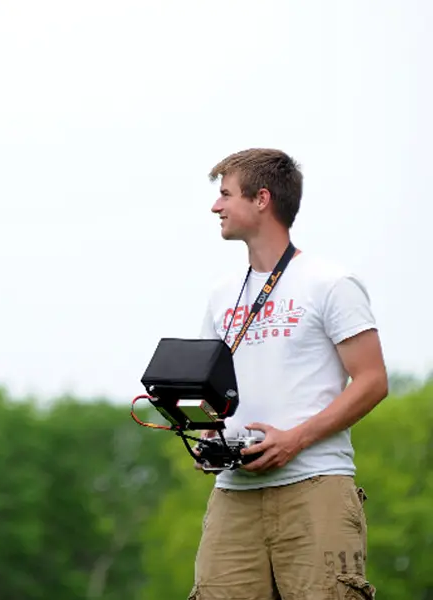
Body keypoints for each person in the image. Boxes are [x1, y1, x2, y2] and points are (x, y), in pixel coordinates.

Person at [189, 148, 388, 600]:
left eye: (225, 195)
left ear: (261, 199)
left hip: (315, 485)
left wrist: (294, 439)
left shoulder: (331, 282)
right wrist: (208, 438)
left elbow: (373, 380)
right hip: (233, 494)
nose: (215, 207)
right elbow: (211, 393)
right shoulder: (221, 295)